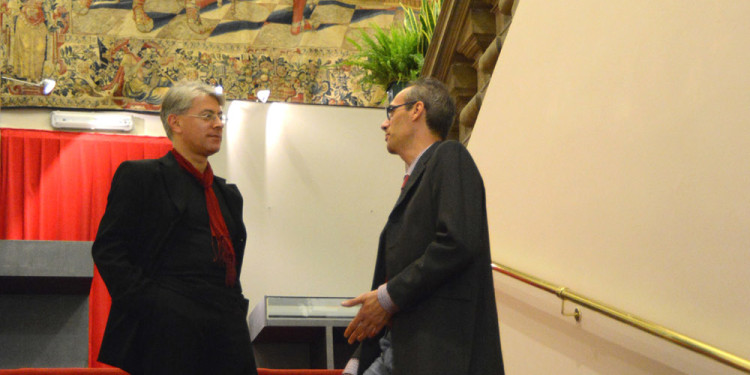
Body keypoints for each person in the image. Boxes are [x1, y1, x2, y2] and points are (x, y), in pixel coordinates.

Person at [92, 80, 257, 375]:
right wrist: (154, 306)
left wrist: (234, 307)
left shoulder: (226, 194)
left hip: (226, 329)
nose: (218, 124)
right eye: (207, 116)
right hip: (167, 330)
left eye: (221, 116)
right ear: (175, 122)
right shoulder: (142, 177)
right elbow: (109, 250)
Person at [341, 78, 504, 375]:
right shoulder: (417, 181)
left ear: (417, 110)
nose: (384, 123)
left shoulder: (450, 156)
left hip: (438, 352)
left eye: (391, 111)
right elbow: (394, 278)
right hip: (401, 349)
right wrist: (358, 360)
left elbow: (457, 242)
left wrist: (387, 297)